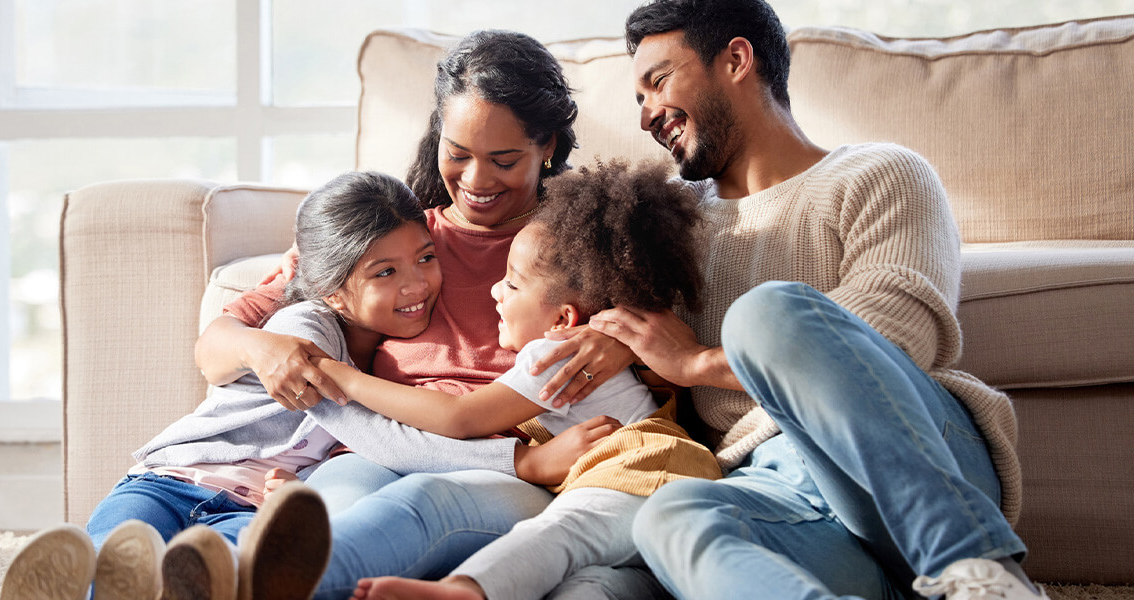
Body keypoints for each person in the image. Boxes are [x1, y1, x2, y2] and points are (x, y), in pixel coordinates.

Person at [533, 1, 1044, 599]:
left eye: (659, 81)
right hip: (776, 490)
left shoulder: (880, 173)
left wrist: (699, 362)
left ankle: (981, 572)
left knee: (767, 313)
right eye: (638, 98)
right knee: (669, 517)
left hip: (909, 461)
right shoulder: (666, 217)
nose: (646, 115)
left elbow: (896, 332)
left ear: (737, 59)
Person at [195, 30, 657, 600]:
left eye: (504, 160)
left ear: (549, 147)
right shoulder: (394, 235)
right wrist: (258, 348)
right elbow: (221, 339)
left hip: (502, 462)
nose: (477, 181)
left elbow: (666, 347)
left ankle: (236, 588)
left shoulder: (579, 245)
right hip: (375, 446)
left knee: (419, 506)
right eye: (458, 154)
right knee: (331, 513)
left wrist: (621, 340)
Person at [0, 171, 560, 600]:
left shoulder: (394, 355)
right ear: (332, 291)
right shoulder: (303, 334)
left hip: (253, 507)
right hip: (171, 480)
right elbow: (376, 438)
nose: (418, 284)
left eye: (426, 258)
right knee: (113, 554)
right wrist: (518, 463)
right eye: (384, 272)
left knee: (222, 573)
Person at [289, 160, 721, 600]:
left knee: (560, 534)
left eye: (512, 286)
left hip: (647, 469)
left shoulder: (553, 354)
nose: (495, 291)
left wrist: (347, 378)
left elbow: (460, 417)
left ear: (563, 318)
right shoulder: (569, 343)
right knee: (576, 563)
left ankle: (467, 590)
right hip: (623, 482)